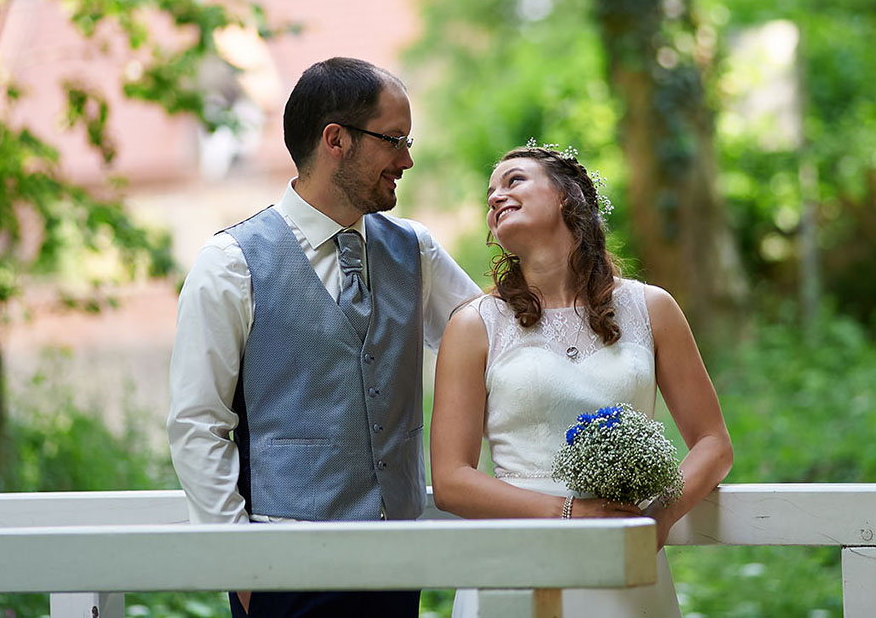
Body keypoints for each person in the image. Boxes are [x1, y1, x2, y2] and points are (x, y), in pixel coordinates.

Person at [167, 57, 480, 618]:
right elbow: (197, 424)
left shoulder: (417, 250)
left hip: (395, 560)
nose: (406, 160)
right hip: (282, 564)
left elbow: (498, 350)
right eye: (394, 140)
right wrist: (239, 567)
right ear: (336, 140)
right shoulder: (229, 263)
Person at [430, 145, 734, 618]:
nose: (495, 197)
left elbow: (714, 444)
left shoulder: (652, 309)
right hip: (517, 559)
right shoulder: (474, 325)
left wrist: (658, 518)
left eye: (513, 181)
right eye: (489, 193)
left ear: (567, 197)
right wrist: (570, 515)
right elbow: (451, 481)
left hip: (623, 557)